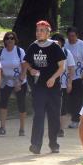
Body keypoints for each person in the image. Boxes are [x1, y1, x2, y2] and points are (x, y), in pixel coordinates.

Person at [23, 21, 66, 154]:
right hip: (38, 87)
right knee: (39, 115)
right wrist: (30, 69)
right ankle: (36, 145)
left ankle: (54, 144)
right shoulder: (33, 46)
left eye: (42, 30)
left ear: (48, 32)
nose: (39, 32)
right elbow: (26, 62)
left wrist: (53, 78)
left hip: (53, 88)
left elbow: (62, 67)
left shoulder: (55, 47)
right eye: (37, 30)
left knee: (54, 116)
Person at [0, 31, 28, 137]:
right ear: (5, 40)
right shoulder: (1, 52)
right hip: (6, 81)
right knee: (3, 103)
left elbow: (24, 68)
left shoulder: (19, 51)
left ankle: (22, 129)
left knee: (21, 104)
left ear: (15, 40)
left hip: (19, 81)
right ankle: (2, 127)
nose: (10, 40)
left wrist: (19, 81)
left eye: (12, 38)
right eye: (7, 38)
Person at [51, 33, 76, 138]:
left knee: (62, 107)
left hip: (63, 84)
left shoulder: (66, 52)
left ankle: (60, 129)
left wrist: (70, 82)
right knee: (52, 106)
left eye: (58, 42)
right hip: (51, 84)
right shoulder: (48, 52)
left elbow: (71, 68)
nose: (57, 44)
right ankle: (54, 127)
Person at [66, 27, 83, 129]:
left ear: (77, 36)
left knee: (77, 98)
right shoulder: (65, 44)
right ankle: (72, 116)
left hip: (79, 75)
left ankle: (76, 119)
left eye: (73, 36)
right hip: (66, 75)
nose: (71, 38)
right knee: (69, 98)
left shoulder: (82, 44)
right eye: (70, 36)